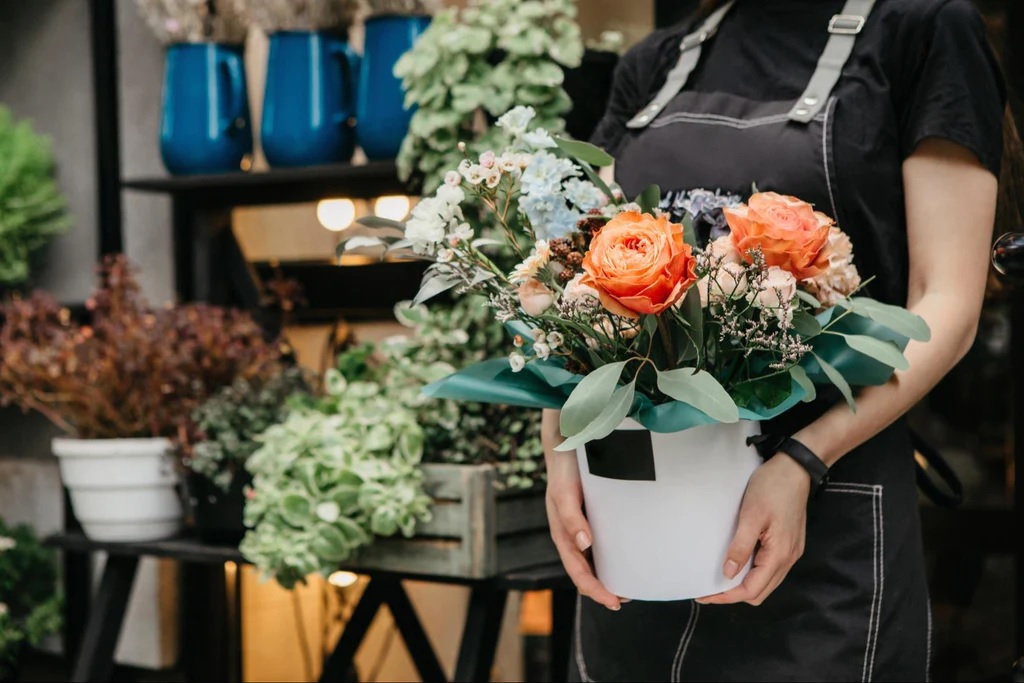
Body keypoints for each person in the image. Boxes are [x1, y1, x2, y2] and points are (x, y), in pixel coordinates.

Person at [542, 0, 1014, 680]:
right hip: (634, 547)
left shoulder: (924, 30)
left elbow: (947, 304)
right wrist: (559, 451)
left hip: (822, 532)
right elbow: (578, 285)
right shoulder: (660, 61)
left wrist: (802, 459)